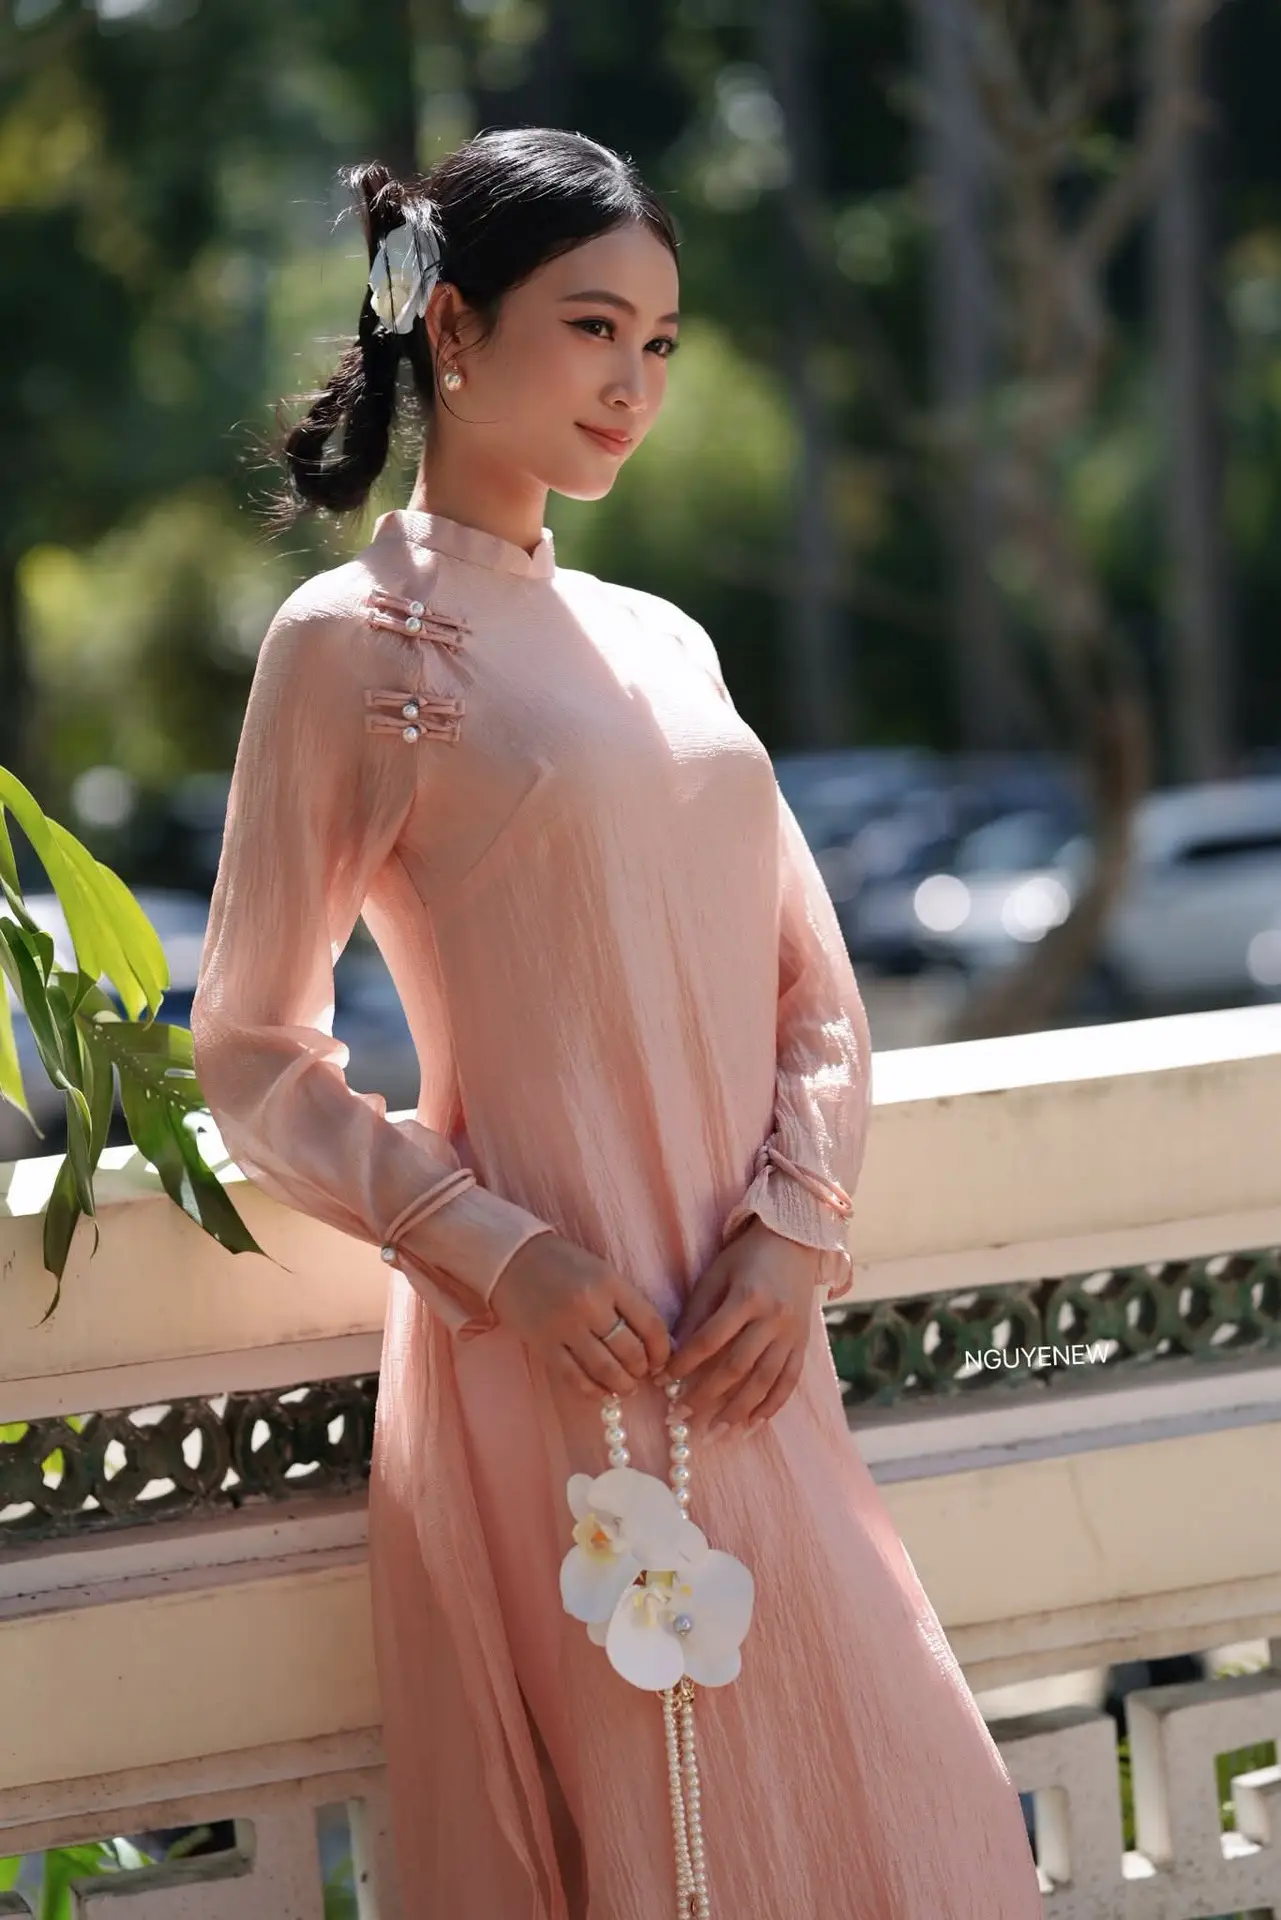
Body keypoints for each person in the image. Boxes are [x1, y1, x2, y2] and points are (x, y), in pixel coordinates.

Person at [190, 127, 1043, 1920]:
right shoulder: (353, 646)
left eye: (659, 342)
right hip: (555, 1356)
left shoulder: (665, 640)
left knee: (923, 1806)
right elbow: (252, 1053)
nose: (634, 385)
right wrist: (491, 1252)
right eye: (592, 329)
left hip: (746, 1339)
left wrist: (797, 1233)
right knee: (671, 1844)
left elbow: (813, 988)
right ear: (452, 329)